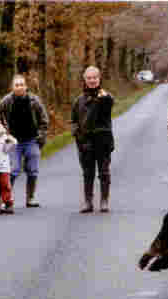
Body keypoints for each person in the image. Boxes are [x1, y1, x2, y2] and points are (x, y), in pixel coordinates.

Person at [0, 75, 49, 208]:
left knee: (33, 170)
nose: (20, 87)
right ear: (12, 87)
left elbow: (44, 119)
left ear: (26, 86)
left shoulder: (34, 100)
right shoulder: (6, 101)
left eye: (22, 84)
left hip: (32, 140)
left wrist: (40, 135)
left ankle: (30, 198)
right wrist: (4, 133)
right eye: (17, 85)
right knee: (13, 170)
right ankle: (6, 200)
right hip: (14, 141)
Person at [71, 66, 115, 213]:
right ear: (84, 79)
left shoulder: (106, 97)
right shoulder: (78, 101)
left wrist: (102, 98)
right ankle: (88, 202)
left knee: (104, 172)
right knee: (87, 173)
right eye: (89, 78)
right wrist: (77, 135)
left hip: (103, 140)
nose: (92, 80)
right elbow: (74, 121)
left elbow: (108, 106)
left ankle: (104, 201)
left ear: (99, 79)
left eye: (94, 78)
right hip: (85, 141)